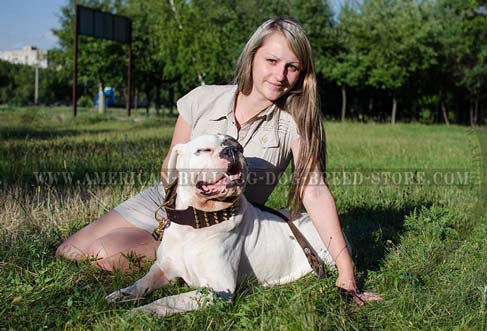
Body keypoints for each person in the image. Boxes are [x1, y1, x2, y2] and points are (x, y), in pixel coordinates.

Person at [56, 17, 381, 305]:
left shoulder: (294, 122)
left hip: (221, 220)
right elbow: (170, 165)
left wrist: (346, 276)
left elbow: (315, 193)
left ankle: (178, 260)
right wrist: (174, 214)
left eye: (292, 67)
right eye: (272, 60)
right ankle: (170, 252)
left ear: (301, 73)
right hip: (166, 201)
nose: (280, 75)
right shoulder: (202, 98)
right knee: (69, 251)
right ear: (252, 56)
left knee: (103, 253)